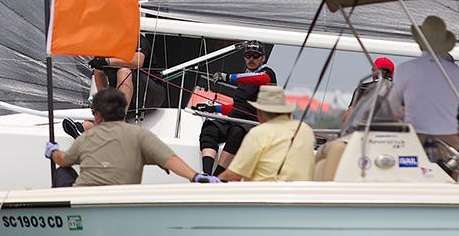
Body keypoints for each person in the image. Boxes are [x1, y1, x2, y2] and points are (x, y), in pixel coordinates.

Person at [45, 87, 216, 187]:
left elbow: (63, 160)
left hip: (83, 200)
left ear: (97, 115)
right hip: (121, 200)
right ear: (123, 110)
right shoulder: (139, 135)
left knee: (62, 172)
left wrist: (52, 152)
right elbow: (169, 159)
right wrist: (195, 176)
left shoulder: (86, 137)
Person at [387, 16, 459, 165]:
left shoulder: (406, 68)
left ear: (420, 42)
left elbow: (391, 105)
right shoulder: (458, 72)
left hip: (415, 138)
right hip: (448, 140)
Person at [193, 40, 276, 176]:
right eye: (248, 55)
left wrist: (227, 77)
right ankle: (206, 173)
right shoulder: (245, 77)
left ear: (263, 58)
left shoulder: (267, 74)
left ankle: (218, 177)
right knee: (210, 127)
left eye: (255, 56)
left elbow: (258, 79)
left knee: (236, 132)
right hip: (234, 119)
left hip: (253, 124)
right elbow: (237, 108)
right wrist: (214, 109)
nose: (251, 59)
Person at [64, 33, 166, 138]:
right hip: (126, 97)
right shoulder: (105, 44)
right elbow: (99, 72)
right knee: (99, 73)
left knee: (124, 71)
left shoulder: (136, 38)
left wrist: (107, 61)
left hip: (151, 94)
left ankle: (118, 120)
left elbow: (137, 61)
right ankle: (83, 128)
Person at [218, 85, 315, 182]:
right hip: (302, 194)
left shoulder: (258, 133)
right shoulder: (306, 130)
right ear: (288, 112)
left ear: (259, 113)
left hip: (266, 194)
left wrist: (214, 180)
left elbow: (234, 175)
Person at [342, 57, 395, 124]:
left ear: (373, 72)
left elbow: (347, 118)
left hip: (366, 131)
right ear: (392, 74)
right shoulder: (399, 90)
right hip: (393, 131)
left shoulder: (362, 88)